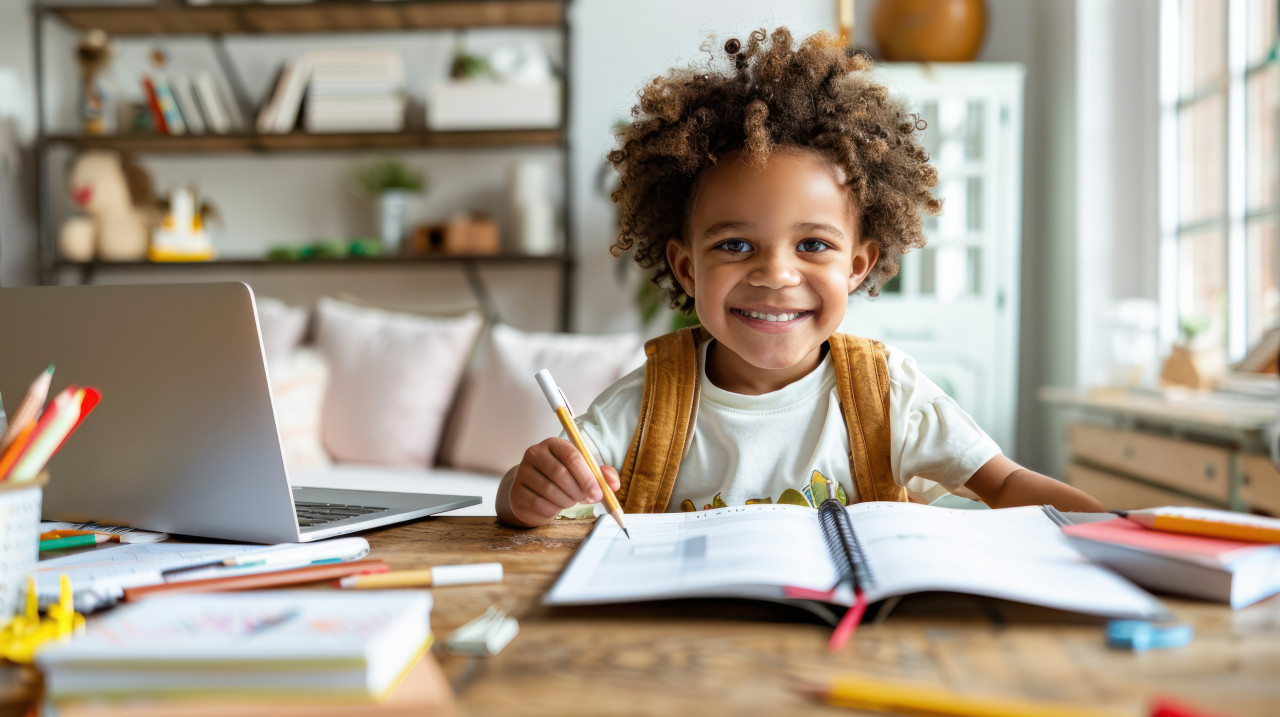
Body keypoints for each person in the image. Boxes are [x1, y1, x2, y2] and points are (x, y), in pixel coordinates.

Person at [496, 27, 1103, 528]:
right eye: (735, 245)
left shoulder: (889, 394)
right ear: (687, 266)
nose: (776, 274)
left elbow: (1005, 483)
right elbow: (521, 503)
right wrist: (528, 492)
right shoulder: (644, 403)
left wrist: (1121, 533)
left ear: (857, 265)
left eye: (813, 245)